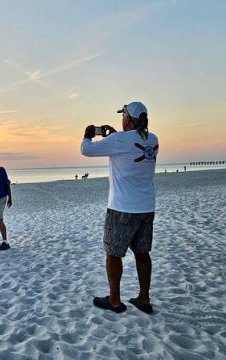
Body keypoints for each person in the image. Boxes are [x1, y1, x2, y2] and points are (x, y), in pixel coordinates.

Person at [81, 101, 159, 314]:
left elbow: (85, 150)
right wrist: (116, 135)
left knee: (113, 253)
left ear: (127, 118)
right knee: (142, 252)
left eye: (122, 116)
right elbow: (131, 147)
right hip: (146, 207)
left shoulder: (120, 140)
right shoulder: (152, 140)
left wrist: (88, 134)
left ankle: (114, 300)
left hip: (122, 208)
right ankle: (144, 298)